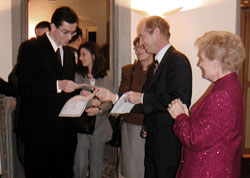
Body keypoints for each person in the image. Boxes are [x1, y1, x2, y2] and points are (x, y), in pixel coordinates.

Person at [95, 16, 192, 178]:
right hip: (153, 140)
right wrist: (114, 98)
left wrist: (143, 98)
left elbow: (180, 100)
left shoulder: (177, 60)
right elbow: (145, 103)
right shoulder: (158, 64)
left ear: (156, 32)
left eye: (143, 36)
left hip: (167, 142)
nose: (141, 41)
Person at [167, 31, 245, 178]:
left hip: (208, 170)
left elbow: (195, 139)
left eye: (202, 59)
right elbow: (211, 129)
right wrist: (187, 116)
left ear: (216, 63)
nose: (199, 64)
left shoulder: (222, 95)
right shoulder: (227, 86)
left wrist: (180, 116)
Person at [17, 6, 80, 178]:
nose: (69, 37)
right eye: (65, 32)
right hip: (39, 130)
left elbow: (68, 88)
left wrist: (80, 96)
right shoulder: (31, 48)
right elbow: (26, 87)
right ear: (52, 27)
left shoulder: (69, 53)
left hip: (65, 131)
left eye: (72, 33)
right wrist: (57, 85)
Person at [73, 42, 112, 178]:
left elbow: (109, 101)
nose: (80, 58)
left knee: (96, 165)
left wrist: (99, 109)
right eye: (80, 55)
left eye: (84, 55)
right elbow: (73, 98)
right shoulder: (78, 75)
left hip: (99, 126)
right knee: (80, 164)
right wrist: (90, 102)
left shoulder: (106, 75)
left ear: (94, 56)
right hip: (81, 126)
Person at [118, 36, 154, 178]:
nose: (139, 50)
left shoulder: (159, 70)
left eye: (142, 46)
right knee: (131, 168)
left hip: (153, 124)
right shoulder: (128, 70)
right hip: (132, 123)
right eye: (136, 47)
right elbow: (123, 95)